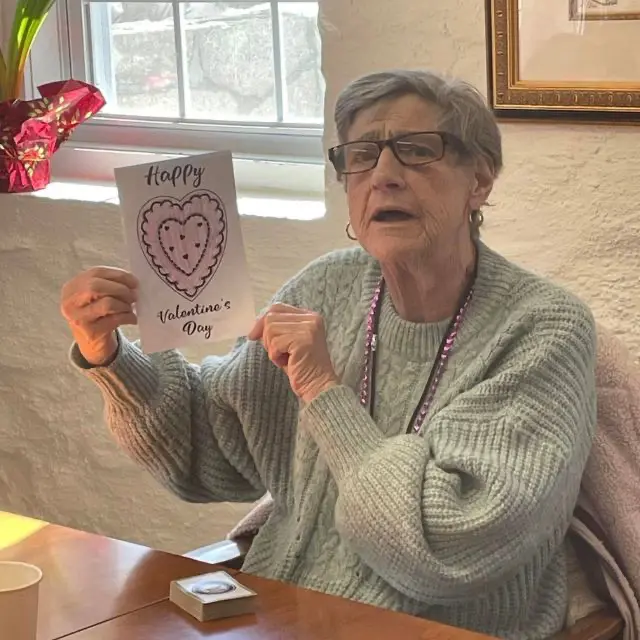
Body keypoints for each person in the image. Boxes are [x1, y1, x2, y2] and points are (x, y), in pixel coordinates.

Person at [60, 69, 597, 640]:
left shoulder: (542, 329)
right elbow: (207, 448)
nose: (384, 176)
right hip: (278, 615)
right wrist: (109, 353)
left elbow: (448, 544)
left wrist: (322, 390)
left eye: (416, 152)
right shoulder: (328, 285)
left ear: (479, 182)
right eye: (361, 156)